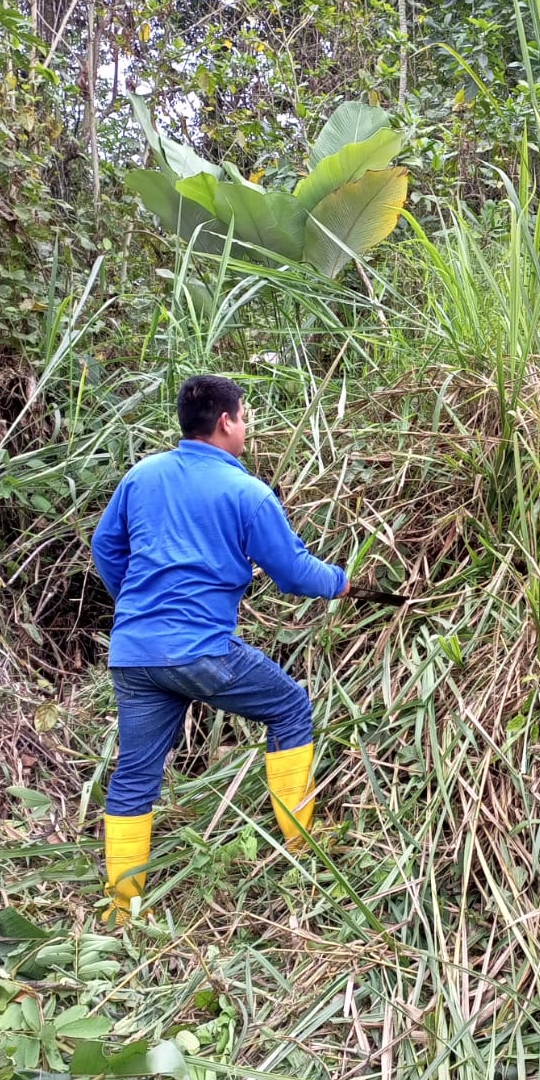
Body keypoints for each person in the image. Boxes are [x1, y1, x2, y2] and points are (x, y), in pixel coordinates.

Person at [90, 374, 347, 921]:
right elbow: (294, 573)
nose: (247, 427)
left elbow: (105, 546)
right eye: (245, 417)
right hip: (200, 650)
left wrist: (136, 608)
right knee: (290, 707)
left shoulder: (142, 476)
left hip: (134, 653)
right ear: (226, 421)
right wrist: (341, 581)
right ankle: (303, 847)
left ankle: (123, 908)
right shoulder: (246, 493)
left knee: (135, 775)